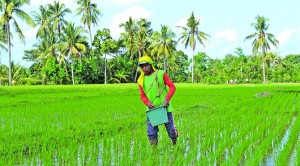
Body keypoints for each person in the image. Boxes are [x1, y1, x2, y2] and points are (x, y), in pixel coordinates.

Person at [137, 55, 178, 145]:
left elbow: (172, 87)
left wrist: (167, 99)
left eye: (146, 65)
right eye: (141, 66)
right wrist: (148, 103)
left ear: (151, 64)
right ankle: (154, 154)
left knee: (171, 131)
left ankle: (174, 145)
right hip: (152, 110)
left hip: (165, 108)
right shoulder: (141, 80)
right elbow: (142, 95)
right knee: (151, 133)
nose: (144, 68)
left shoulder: (160, 74)